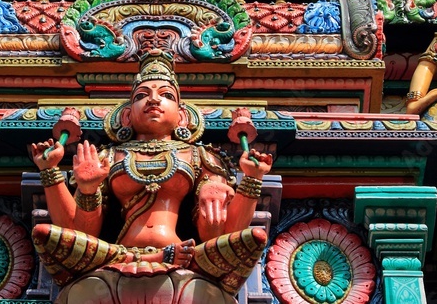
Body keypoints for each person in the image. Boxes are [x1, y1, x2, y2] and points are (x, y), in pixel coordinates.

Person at [29, 50, 270, 295]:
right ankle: (154, 258)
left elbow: (217, 236)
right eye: (142, 96)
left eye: (166, 95)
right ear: (126, 116)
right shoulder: (108, 156)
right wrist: (67, 179)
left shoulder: (200, 156)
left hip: (183, 251)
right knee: (45, 234)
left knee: (253, 238)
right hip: (119, 252)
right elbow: (81, 233)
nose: (153, 100)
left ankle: (157, 259)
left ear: (182, 117)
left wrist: (251, 179)